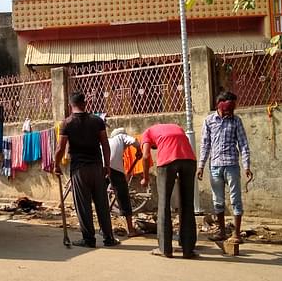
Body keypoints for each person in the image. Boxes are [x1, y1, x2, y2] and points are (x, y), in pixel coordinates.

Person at [54, 91, 119, 248]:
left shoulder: (67, 123)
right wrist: (107, 165)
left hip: (79, 169)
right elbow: (105, 144)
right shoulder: (97, 121)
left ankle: (88, 239)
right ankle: (109, 237)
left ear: (70, 105)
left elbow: (60, 148)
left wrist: (56, 165)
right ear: (85, 104)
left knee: (83, 204)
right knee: (102, 203)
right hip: (97, 167)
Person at [197, 91, 253, 244]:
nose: (231, 111)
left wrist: (246, 165)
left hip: (232, 165)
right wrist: (201, 165)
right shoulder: (209, 121)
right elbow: (205, 145)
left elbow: (243, 144)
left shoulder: (236, 121)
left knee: (235, 199)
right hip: (215, 166)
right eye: (228, 108)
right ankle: (221, 231)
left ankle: (236, 234)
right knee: (218, 201)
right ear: (219, 105)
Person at [140, 123, 198, 258]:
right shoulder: (176, 126)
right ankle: (188, 249)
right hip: (189, 160)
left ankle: (165, 249)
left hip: (167, 161)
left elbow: (145, 156)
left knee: (164, 204)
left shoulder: (147, 133)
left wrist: (146, 178)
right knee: (188, 204)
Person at [107, 126, 142, 237]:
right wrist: (139, 150)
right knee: (124, 198)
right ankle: (131, 230)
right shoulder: (121, 136)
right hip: (114, 169)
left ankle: (105, 230)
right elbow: (135, 141)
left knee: (101, 198)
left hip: (100, 167)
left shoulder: (107, 141)